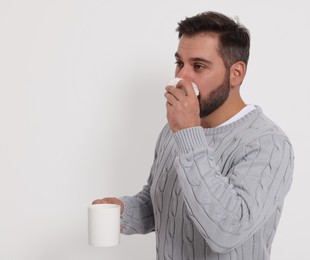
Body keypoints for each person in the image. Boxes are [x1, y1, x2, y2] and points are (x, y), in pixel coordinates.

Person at [93, 11, 294, 260]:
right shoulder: (174, 130)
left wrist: (188, 133)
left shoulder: (268, 143)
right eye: (179, 63)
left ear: (236, 73)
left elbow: (227, 232)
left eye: (198, 66)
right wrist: (124, 211)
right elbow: (164, 203)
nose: (181, 77)